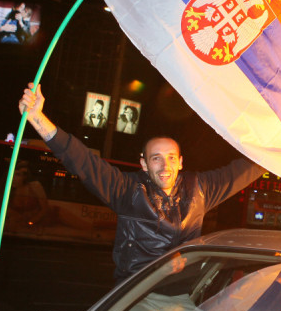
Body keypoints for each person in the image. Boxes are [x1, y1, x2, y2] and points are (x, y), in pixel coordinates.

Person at [18, 82, 264, 282]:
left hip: (182, 296)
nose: (165, 166)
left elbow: (244, 170)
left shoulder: (201, 189)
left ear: (180, 162)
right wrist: (37, 118)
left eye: (170, 158)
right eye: (156, 159)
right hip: (136, 292)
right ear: (144, 164)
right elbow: (82, 160)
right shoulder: (128, 191)